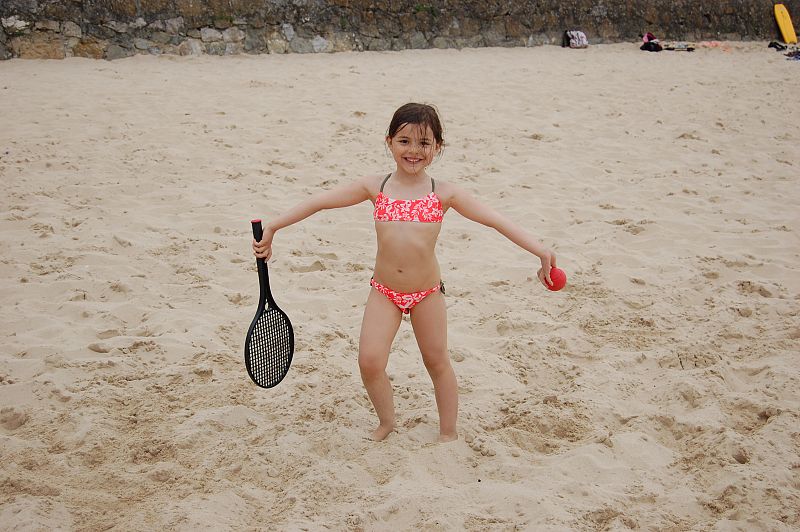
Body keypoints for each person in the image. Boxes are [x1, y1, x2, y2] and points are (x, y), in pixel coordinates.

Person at [252, 103, 557, 443]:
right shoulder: (375, 187)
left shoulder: (444, 193)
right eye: (404, 141)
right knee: (369, 361)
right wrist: (275, 226)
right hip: (385, 291)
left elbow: (496, 220)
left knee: (437, 361)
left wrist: (541, 251)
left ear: (437, 148)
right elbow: (320, 201)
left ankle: (448, 433)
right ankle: (386, 422)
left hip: (427, 292)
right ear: (389, 142)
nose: (414, 151)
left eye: (424, 143)